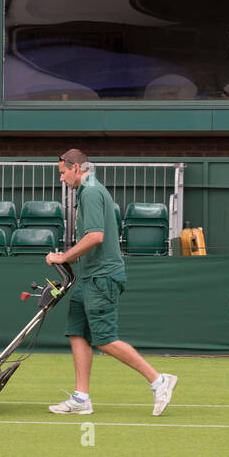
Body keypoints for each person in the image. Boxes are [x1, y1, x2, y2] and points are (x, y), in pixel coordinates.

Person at [45, 149, 177, 416]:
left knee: (104, 339)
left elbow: (95, 236)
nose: (61, 179)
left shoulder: (91, 191)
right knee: (77, 332)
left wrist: (64, 256)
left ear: (76, 169)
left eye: (62, 173)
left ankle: (159, 380)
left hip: (102, 278)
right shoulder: (87, 190)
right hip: (89, 276)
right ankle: (81, 398)